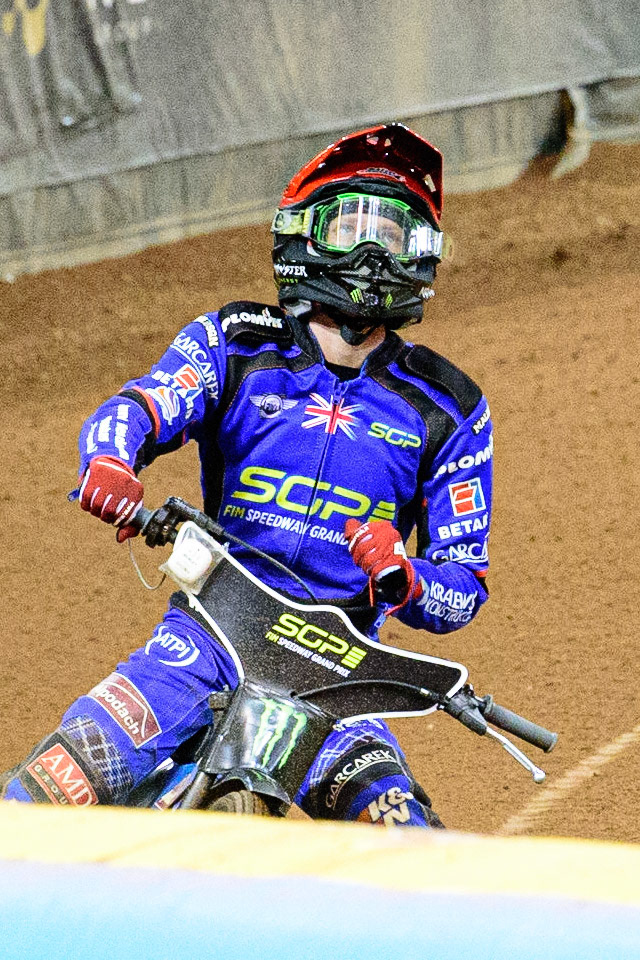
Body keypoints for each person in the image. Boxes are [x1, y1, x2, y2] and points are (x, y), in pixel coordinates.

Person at [1, 123, 493, 827]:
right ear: (301, 232)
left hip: (339, 676)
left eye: (394, 231)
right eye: (349, 223)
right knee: (45, 791)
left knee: (408, 842)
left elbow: (463, 587)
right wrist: (109, 460)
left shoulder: (452, 406)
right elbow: (138, 406)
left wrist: (407, 576)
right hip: (203, 642)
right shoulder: (236, 341)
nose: (371, 250)